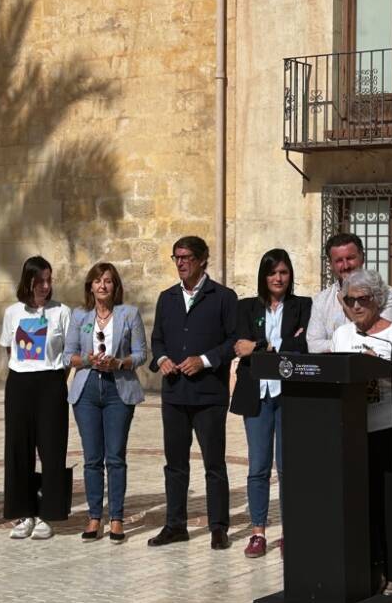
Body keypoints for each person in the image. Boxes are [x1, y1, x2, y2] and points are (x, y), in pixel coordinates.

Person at [330, 269, 392, 591]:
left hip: (387, 427)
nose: (355, 306)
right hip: (352, 431)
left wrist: (383, 369)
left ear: (377, 300)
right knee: (361, 504)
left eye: (362, 299)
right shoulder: (341, 335)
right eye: (349, 300)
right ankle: (368, 572)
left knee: (389, 504)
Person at [148, 236, 238, 550]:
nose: (181, 263)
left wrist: (204, 360)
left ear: (202, 260)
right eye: (177, 257)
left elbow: (233, 342)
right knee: (175, 463)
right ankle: (175, 525)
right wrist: (161, 360)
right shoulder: (166, 298)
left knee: (214, 463)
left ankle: (218, 527)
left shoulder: (223, 297)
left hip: (209, 395)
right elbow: (157, 339)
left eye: (186, 257)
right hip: (174, 394)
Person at [229, 248, 311, 558]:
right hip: (257, 395)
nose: (278, 278)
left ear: (290, 276)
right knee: (258, 467)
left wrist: (262, 345)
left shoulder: (303, 306)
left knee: (288, 467)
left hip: (288, 395)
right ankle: (258, 532)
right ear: (264, 277)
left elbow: (303, 345)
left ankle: (292, 531)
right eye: (272, 272)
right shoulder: (247, 307)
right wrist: (277, 345)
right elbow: (240, 345)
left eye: (284, 272)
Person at [64, 263, 148, 544]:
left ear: (115, 287)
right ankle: (94, 517)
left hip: (118, 389)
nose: (103, 286)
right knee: (91, 459)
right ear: (90, 286)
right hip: (86, 389)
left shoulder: (129, 314)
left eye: (108, 281)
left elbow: (140, 354)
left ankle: (117, 518)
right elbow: (69, 356)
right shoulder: (80, 316)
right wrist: (89, 359)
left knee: (115, 457)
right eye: (98, 281)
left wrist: (120, 362)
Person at [1, 256, 73, 540]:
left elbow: (68, 354)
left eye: (49, 280)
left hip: (51, 382)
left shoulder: (61, 312)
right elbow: (10, 351)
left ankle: (49, 513)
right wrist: (25, 373)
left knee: (52, 449)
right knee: (19, 449)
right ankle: (23, 513)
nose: (45, 286)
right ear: (27, 281)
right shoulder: (13, 312)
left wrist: (54, 381)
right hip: (19, 383)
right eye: (39, 280)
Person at [307, 233, 392, 353]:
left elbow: (383, 341)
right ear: (331, 265)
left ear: (362, 258)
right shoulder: (322, 299)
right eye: (339, 261)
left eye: (350, 258)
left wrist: (347, 308)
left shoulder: (387, 294)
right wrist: (356, 345)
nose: (346, 266)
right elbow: (314, 346)